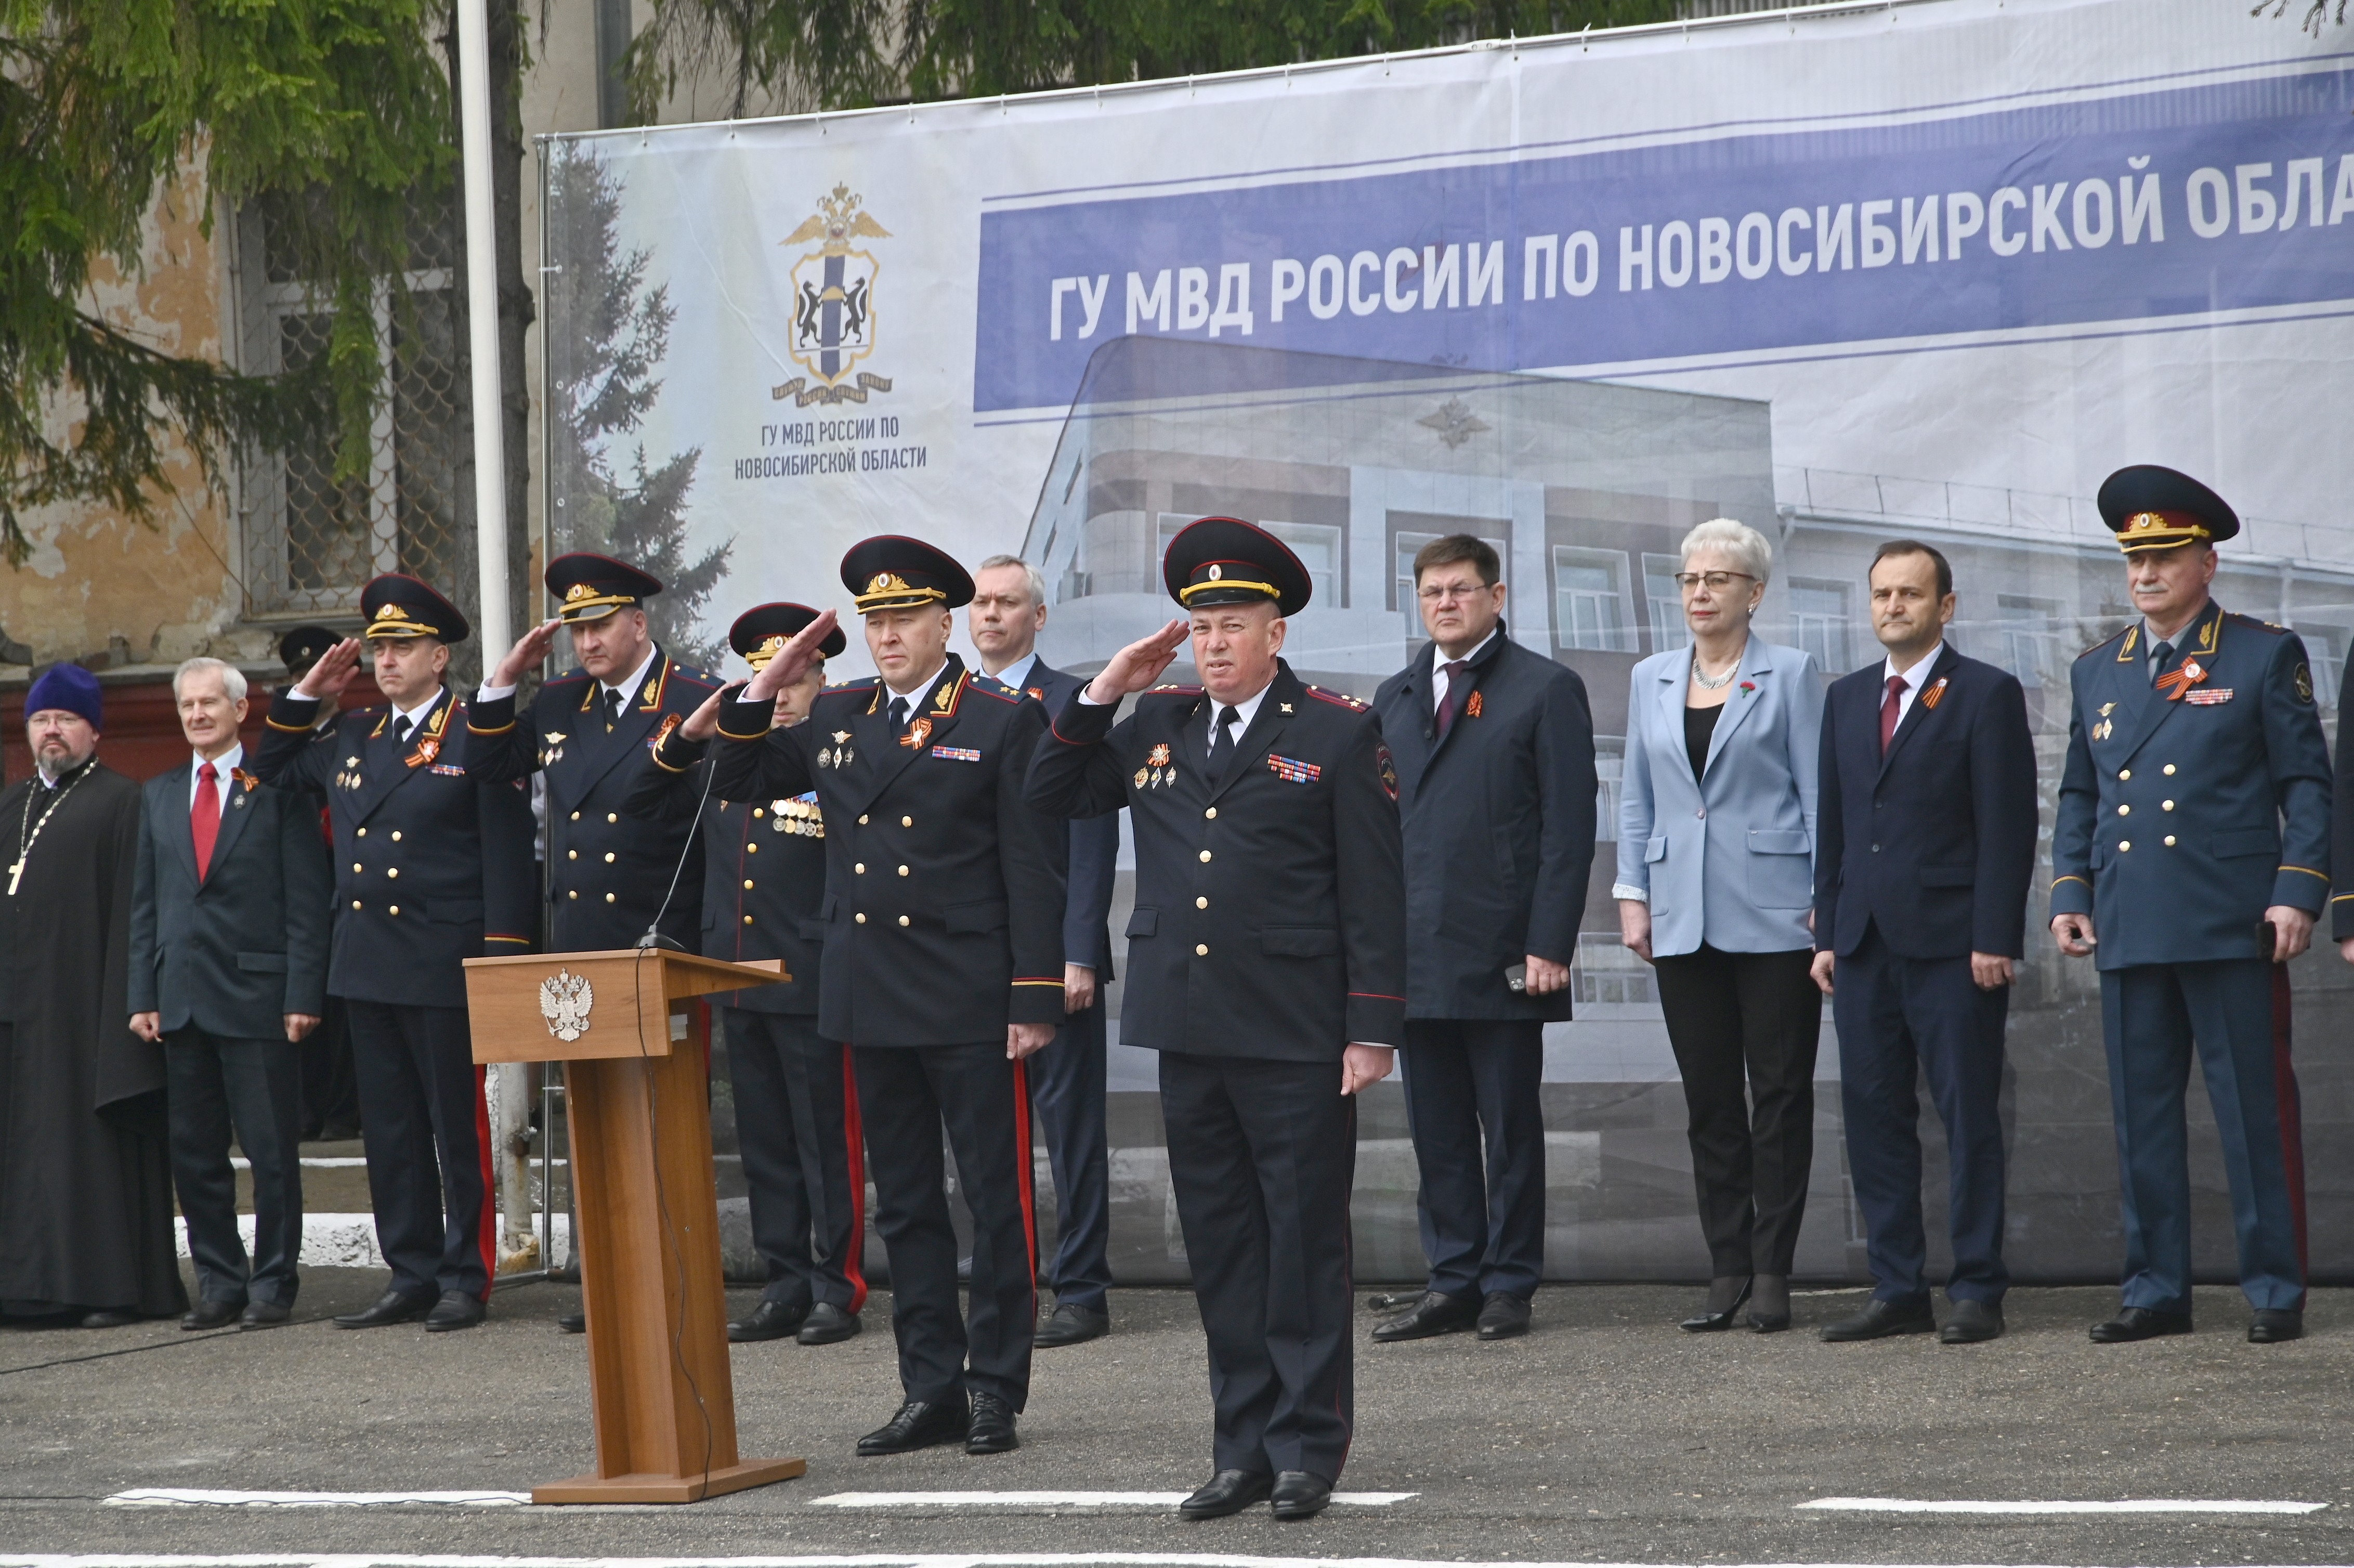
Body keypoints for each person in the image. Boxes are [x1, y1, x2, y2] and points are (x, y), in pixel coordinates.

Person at [1028, 516, 1407, 1522]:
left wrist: (1370, 1027)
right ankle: (1239, 1447)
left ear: (1274, 633)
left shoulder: (1335, 729)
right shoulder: (1155, 722)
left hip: (1294, 1031)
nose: (1214, 644)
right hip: (1188, 1027)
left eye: (1232, 625)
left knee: (1302, 1243)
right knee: (1223, 1246)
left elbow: (1374, 890)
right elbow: (1050, 788)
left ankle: (1306, 1447)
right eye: (1200, 628)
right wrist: (1108, 686)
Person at [676, 537, 1064, 1458]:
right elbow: (735, 777)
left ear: (945, 624)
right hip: (869, 993)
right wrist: (767, 685)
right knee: (906, 1205)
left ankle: (994, 1388)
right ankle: (929, 1387)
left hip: (968, 994)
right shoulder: (840, 714)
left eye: (905, 619)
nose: (888, 636)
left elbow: (1032, 866)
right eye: (875, 621)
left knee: (995, 1201)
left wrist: (1034, 994)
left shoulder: (1000, 718)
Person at [2054, 466, 2330, 1346]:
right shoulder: (2096, 670)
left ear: (2206, 564)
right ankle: (2154, 1289)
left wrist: (2296, 892)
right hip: (2132, 918)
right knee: (2141, 1119)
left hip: (2230, 920)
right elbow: (2078, 794)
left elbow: (2306, 785)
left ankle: (2274, 1289)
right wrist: (2070, 890)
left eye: (2165, 557)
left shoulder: (2260, 654)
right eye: (2134, 559)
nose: (2145, 574)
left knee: (2253, 1114)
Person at [253, 575, 539, 1333]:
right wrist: (307, 693)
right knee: (390, 1131)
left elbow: (508, 852)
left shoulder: (474, 730)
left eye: (403, 646)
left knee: (455, 1129)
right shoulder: (353, 733)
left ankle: (466, 1276)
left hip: (444, 959)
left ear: (438, 657)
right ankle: (411, 1272)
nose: (386, 660)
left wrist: (501, 960)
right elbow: (270, 768)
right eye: (379, 648)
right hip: (368, 959)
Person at [1365, 535, 1594, 1345]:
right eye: (1432, 591)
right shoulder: (1394, 697)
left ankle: (1508, 1284)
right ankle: (1454, 1278)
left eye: (1461, 589)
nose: (1446, 603)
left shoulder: (1546, 688)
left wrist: (1549, 943)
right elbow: (1376, 833)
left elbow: (1569, 830)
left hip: (1506, 952)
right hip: (1415, 951)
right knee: (1438, 1130)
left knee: (1509, 1128)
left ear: (1497, 598)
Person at [1809, 542, 2037, 1345]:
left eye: (1910, 594)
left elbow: (2008, 826)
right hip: (1863, 944)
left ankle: (1976, 1287)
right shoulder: (1845, 698)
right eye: (1882, 594)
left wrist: (1994, 935)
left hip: (1953, 947)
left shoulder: (1985, 693)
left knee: (1969, 1117)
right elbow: (1835, 824)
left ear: (1946, 606)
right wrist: (1828, 928)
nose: (1893, 606)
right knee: (1874, 1118)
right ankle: (1898, 1287)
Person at [631, 603, 867, 1349]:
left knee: (824, 1141)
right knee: (765, 1142)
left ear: (821, 678)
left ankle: (838, 1286)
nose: (783, 692)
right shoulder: (726, 761)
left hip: (811, 976)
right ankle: (784, 1282)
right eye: (768, 678)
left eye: (795, 677)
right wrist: (691, 733)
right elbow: (643, 802)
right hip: (735, 971)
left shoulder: (836, 755)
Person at [1615, 517, 1824, 1336]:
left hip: (1776, 912)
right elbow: (1637, 796)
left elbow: (1818, 793)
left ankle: (1772, 1270)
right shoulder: (1652, 677)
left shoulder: (1791, 673)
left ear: (1755, 593)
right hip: (1679, 912)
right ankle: (1727, 1264)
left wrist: (1827, 898)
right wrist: (1632, 895)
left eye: (1718, 580)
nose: (1700, 593)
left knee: (1779, 1096)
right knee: (1709, 1101)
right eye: (1690, 580)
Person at [128, 658, 332, 1331]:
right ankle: (219, 1282)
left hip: (260, 1000)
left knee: (271, 1155)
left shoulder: (277, 788)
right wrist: (142, 994)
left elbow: (308, 902)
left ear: (240, 710)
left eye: (209, 702)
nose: (197, 714)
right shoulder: (158, 794)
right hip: (181, 1002)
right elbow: (146, 907)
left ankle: (272, 1284)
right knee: (196, 1156)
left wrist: (303, 991)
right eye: (187, 705)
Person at [0, 664, 185, 1327]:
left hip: (86, 1012)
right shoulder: (12, 804)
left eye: (66, 720)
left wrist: (131, 1003)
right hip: (18, 1014)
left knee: (84, 1154)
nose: (52, 731)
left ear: (95, 730)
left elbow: (138, 915)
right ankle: (23, 1290)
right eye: (41, 720)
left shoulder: (122, 802)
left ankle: (103, 1289)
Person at [968, 553, 1120, 1350]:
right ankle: (1008, 1281)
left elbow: (1090, 833)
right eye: (981, 602)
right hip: (974, 959)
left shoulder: (1069, 702)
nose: (991, 614)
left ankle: (1082, 1289)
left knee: (1071, 1131)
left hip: (1054, 957)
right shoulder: (953, 706)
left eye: (1007, 602)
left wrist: (1079, 952)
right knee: (987, 1133)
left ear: (1039, 615)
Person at [468, 552, 723, 953]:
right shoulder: (559, 698)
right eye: (578, 630)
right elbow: (490, 764)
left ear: (639, 625)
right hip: (576, 932)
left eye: (601, 626)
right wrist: (506, 676)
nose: (588, 643)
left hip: (661, 936)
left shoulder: (697, 698)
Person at [278, 624, 361, 1144]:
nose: (309, 682)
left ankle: (344, 1108)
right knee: (300, 993)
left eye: (321, 673)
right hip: (294, 883)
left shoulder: (355, 732)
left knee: (342, 1001)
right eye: (300, 674)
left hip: (341, 876)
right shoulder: (287, 739)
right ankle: (306, 1105)